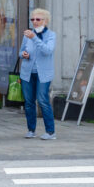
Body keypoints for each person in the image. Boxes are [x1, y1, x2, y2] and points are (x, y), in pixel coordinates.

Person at [19, 8, 57, 140]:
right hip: (27, 73)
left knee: (42, 100)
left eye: (38, 19)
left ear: (45, 21)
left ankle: (51, 132)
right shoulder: (27, 35)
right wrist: (23, 54)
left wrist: (34, 38)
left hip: (43, 74)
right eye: (32, 19)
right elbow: (21, 51)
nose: (34, 22)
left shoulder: (51, 35)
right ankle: (31, 130)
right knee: (29, 102)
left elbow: (47, 51)